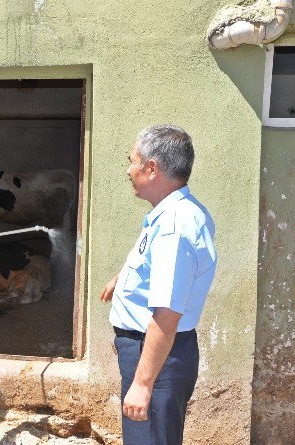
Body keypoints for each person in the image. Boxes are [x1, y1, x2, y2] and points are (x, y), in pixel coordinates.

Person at [100, 125, 217, 445]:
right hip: (159, 357)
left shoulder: (174, 228)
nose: (128, 169)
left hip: (155, 360)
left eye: (132, 160)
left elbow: (166, 313)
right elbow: (164, 270)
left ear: (151, 168)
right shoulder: (179, 213)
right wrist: (123, 277)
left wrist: (142, 383)